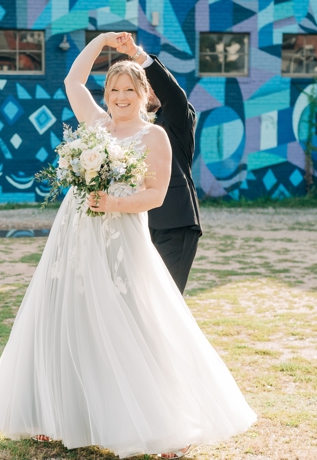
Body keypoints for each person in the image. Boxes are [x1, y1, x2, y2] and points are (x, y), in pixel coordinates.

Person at [0, 32, 256, 459]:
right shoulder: (95, 126)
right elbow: (73, 82)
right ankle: (57, 416)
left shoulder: (154, 137)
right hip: (74, 238)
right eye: (113, 90)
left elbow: (156, 195)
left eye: (130, 89)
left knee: (139, 325)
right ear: (105, 96)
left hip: (122, 237)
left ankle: (168, 425)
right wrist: (104, 41)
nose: (120, 97)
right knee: (67, 320)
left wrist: (112, 202)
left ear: (145, 95)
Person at [115, 33, 201, 294]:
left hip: (174, 224)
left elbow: (170, 91)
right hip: (135, 222)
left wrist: (136, 54)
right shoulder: (128, 124)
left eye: (145, 83)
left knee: (165, 300)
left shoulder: (177, 117)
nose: (144, 88)